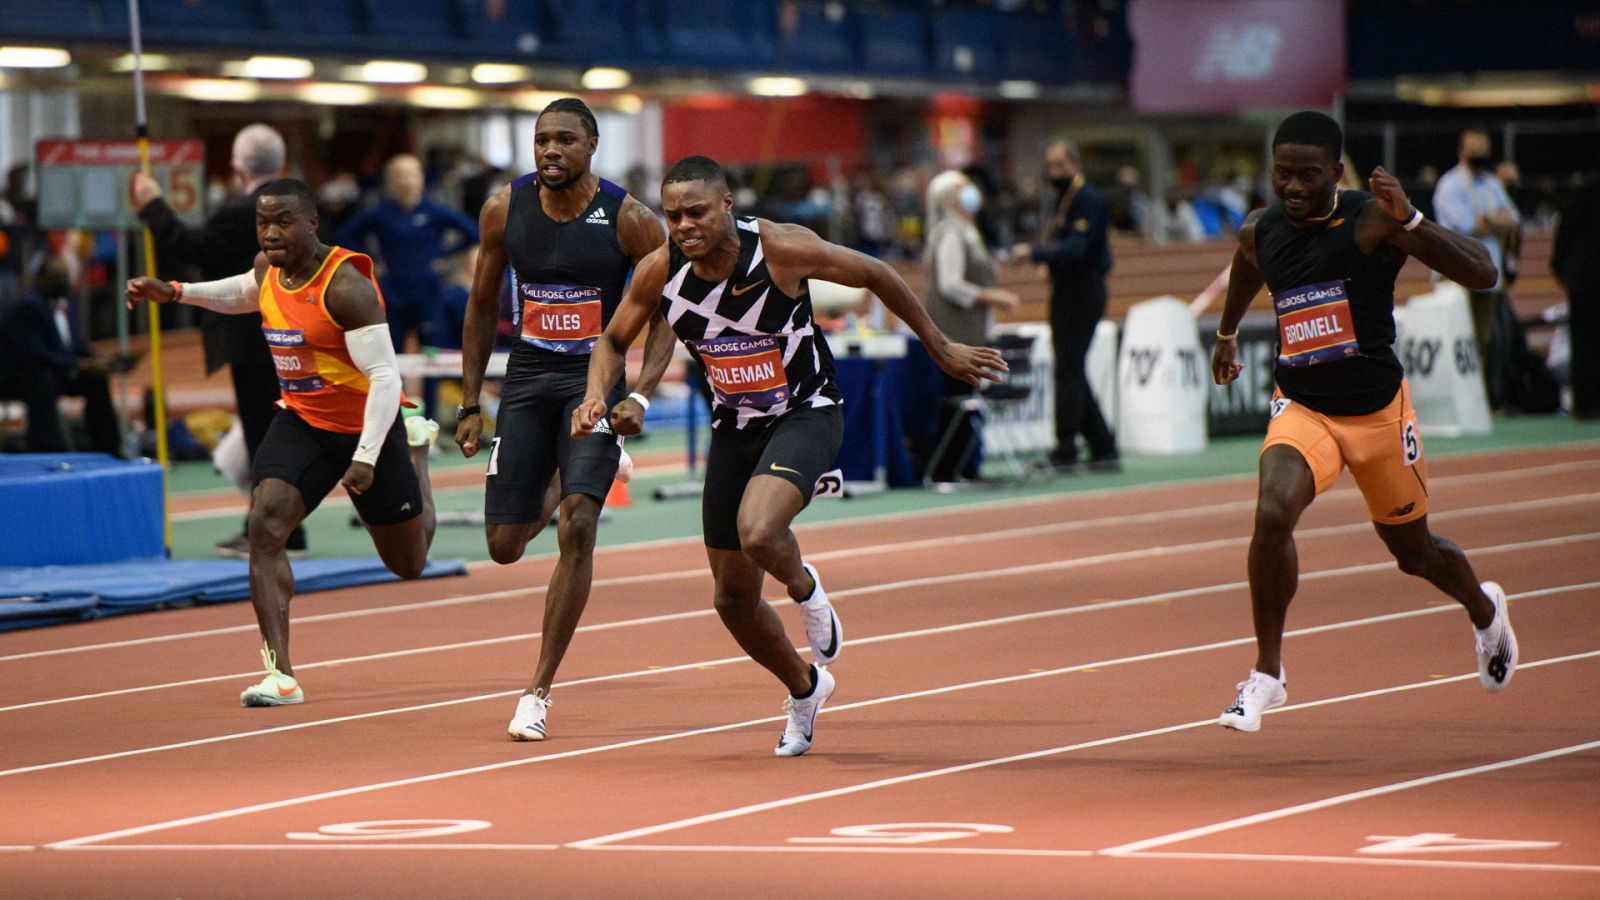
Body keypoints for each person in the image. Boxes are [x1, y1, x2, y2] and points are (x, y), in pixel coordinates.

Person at [574, 155, 1006, 756]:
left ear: (727, 205)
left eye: (696, 211)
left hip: (807, 411)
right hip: (735, 427)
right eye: (673, 215)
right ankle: (806, 688)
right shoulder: (661, 269)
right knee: (731, 601)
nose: (684, 226)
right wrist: (602, 393)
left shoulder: (779, 249)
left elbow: (877, 273)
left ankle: (805, 588)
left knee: (757, 531)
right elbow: (613, 338)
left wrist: (940, 347)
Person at [1209, 111, 1518, 733]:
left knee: (1416, 554)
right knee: (1272, 514)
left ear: (1337, 172)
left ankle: (1485, 611)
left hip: (1378, 413)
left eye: (1308, 176)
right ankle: (1268, 673)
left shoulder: (1372, 219)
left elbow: (1484, 273)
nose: (1293, 188)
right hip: (1304, 407)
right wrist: (1226, 331)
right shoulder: (1261, 229)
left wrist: (1412, 221)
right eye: (1282, 174)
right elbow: (1249, 264)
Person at [125, 178, 440, 707]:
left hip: (368, 425)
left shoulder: (346, 286)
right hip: (301, 421)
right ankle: (281, 674)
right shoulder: (268, 267)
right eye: (263, 222)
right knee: (264, 524)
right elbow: (243, 293)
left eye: (283, 221)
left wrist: (366, 455)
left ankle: (418, 454)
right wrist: (176, 291)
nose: (271, 232)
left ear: (312, 223)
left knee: (407, 563)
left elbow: (386, 377)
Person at [455, 98, 673, 743]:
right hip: (526, 381)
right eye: (541, 140)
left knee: (578, 525)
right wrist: (471, 401)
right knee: (503, 546)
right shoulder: (504, 208)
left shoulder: (630, 220)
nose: (551, 151)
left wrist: (644, 395)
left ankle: (537, 691)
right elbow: (480, 302)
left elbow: (668, 319)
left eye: (565, 141)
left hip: (595, 385)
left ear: (593, 146)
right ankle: (575, 468)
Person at [133, 123, 307, 559]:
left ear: (239, 166)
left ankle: (273, 532)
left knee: (263, 437)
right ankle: (280, 529)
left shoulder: (244, 211)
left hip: (254, 342)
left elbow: (190, 247)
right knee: (274, 435)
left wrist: (153, 205)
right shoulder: (302, 207)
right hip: (296, 335)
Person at [1013, 139, 1119, 473]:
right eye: (1050, 166)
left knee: (1068, 368)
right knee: (1071, 367)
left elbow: (1076, 248)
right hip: (1069, 290)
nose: (1053, 173)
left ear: (1074, 164)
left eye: (1060, 165)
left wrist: (1035, 253)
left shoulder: (1084, 198)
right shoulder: (1066, 199)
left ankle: (1066, 446)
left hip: (1081, 291)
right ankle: (1102, 445)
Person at [923, 170, 1019, 483]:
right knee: (957, 400)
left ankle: (966, 466)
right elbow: (950, 284)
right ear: (948, 197)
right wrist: (991, 295)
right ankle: (950, 468)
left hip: (973, 330)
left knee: (968, 399)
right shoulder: (950, 232)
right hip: (954, 333)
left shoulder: (970, 231)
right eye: (962, 187)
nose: (971, 192)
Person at [335, 153, 480, 351]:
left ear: (421, 178)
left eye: (411, 175)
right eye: (400, 176)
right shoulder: (381, 212)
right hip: (392, 293)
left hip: (428, 292)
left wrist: (444, 256)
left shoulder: (435, 211)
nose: (406, 181)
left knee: (431, 352)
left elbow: (474, 232)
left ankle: (431, 382)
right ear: (391, 181)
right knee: (393, 353)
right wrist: (370, 260)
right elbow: (344, 235)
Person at [1430, 128, 1520, 407]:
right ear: (1462, 151)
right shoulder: (1450, 185)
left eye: (1483, 151)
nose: (1479, 156)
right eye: (1474, 150)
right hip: (1454, 273)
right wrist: (1494, 222)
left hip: (1487, 273)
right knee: (1457, 339)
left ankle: (1475, 401)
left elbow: (1513, 218)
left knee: (1483, 340)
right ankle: (1452, 401)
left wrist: (1488, 222)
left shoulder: (1490, 183)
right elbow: (1468, 225)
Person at [0, 259, 121, 456]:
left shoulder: (66, 304)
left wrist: (98, 361)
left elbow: (75, 343)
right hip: (19, 377)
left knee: (96, 380)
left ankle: (108, 447)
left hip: (56, 372)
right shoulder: (28, 306)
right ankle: (48, 450)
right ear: (41, 280)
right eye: (56, 278)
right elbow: (33, 354)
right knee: (42, 379)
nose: (61, 282)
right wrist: (78, 364)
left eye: (64, 278)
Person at [1553, 172, 1600, 418]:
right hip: (1585, 277)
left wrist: (1561, 269)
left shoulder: (1582, 195)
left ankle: (1584, 403)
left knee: (1582, 342)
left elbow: (1565, 232)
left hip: (1581, 277)